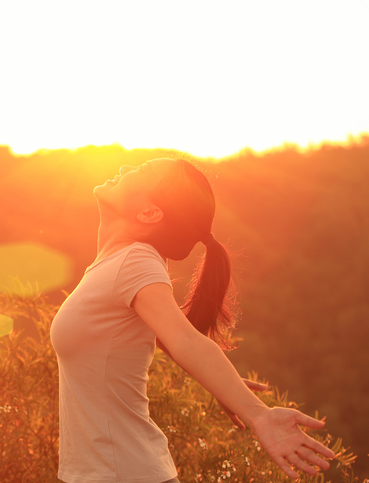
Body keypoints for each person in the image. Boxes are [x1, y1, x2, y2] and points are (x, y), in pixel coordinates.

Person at [49, 158, 335, 483]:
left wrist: (257, 414)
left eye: (140, 172)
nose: (127, 168)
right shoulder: (118, 264)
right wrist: (224, 385)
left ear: (149, 213)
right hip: (105, 473)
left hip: (125, 473)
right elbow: (161, 336)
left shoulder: (135, 261)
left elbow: (185, 339)